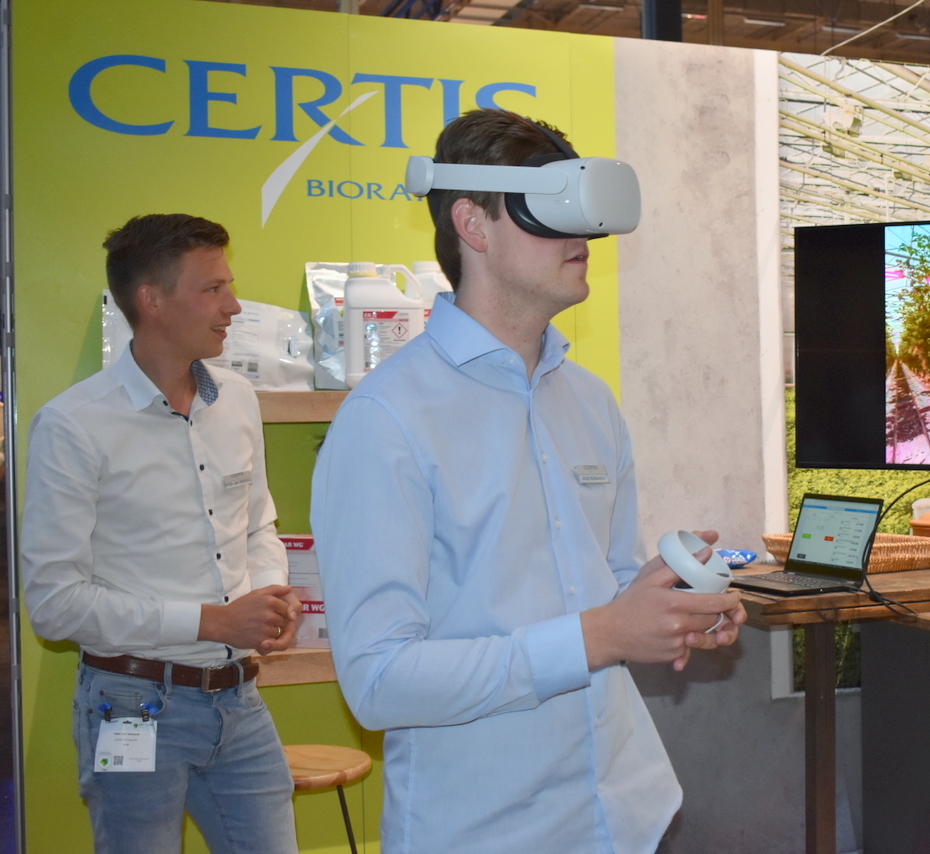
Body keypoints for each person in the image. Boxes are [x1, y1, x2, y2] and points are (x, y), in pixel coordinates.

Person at [311, 109, 747, 854]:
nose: (582, 236)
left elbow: (606, 582)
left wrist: (672, 608)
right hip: (485, 832)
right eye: (550, 208)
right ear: (472, 225)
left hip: (627, 816)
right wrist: (599, 636)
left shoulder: (590, 402)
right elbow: (378, 681)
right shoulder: (386, 420)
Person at [21, 214, 300, 854]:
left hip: (238, 701)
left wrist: (270, 595)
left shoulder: (237, 399)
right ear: (150, 300)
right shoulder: (73, 425)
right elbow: (54, 604)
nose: (233, 307)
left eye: (230, 286)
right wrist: (212, 621)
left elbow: (257, 523)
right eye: (213, 289)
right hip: (131, 703)